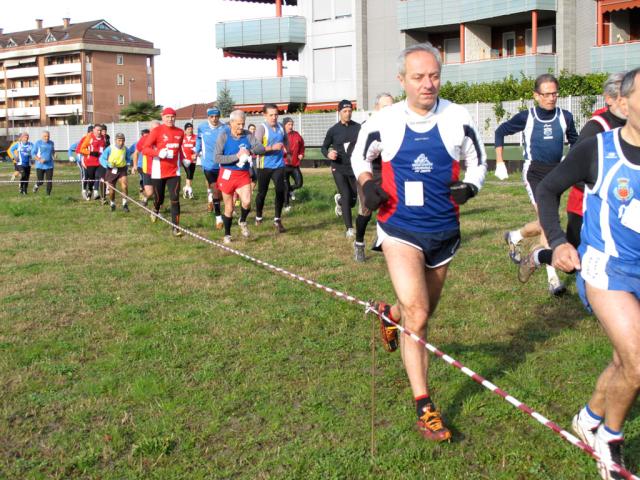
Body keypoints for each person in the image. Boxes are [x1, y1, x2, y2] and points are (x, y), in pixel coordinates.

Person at [352, 43, 486, 442]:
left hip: (444, 231)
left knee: (417, 313)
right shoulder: (385, 119)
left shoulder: (458, 117)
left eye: (434, 76)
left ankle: (389, 314)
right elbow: (360, 158)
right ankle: (424, 406)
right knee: (420, 314)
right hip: (400, 228)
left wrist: (471, 187)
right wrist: (367, 184)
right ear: (401, 80)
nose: (428, 84)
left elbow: (477, 162)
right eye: (418, 77)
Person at [536, 68, 640, 480]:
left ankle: (589, 417)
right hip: (605, 270)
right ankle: (609, 443)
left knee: (624, 360)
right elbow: (547, 190)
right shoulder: (598, 148)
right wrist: (559, 241)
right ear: (624, 103)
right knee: (638, 360)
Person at [518, 73, 627, 283]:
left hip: (619, 206)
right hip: (584, 206)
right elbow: (575, 172)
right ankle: (538, 255)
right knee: (573, 262)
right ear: (609, 98)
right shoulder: (596, 128)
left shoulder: (633, 126)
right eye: (624, 96)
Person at [496, 73, 578, 296]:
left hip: (556, 174)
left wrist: (575, 165)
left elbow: (576, 143)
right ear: (536, 95)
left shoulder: (566, 117)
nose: (551, 98)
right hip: (534, 173)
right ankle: (553, 280)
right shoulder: (527, 117)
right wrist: (500, 162)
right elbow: (500, 131)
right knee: (548, 221)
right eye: (546, 94)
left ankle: (515, 236)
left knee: (546, 222)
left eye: (554, 93)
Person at [351, 92, 394, 262]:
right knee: (367, 210)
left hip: (388, 172)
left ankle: (383, 238)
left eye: (391, 106)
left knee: (391, 206)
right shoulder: (367, 127)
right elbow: (359, 157)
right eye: (385, 107)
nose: (388, 110)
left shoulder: (398, 125)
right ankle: (359, 243)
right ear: (376, 108)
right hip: (368, 172)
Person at [215, 110, 266, 243]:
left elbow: (261, 148)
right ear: (231, 123)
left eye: (242, 124)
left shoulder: (248, 135)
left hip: (243, 174)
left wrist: (249, 151)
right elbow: (217, 158)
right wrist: (236, 156)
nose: (241, 127)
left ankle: (242, 221)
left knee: (247, 201)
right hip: (227, 174)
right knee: (229, 207)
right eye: (238, 124)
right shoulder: (223, 136)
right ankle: (227, 234)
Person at [321, 99, 361, 238]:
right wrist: (328, 154)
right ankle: (349, 229)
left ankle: (339, 202)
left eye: (350, 111)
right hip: (338, 167)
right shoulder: (333, 130)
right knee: (346, 195)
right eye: (345, 111)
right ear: (339, 112)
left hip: (354, 168)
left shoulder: (358, 128)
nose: (348, 113)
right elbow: (324, 147)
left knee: (353, 200)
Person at [142, 107, 185, 236]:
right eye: (167, 117)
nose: (170, 119)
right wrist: (158, 153)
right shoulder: (156, 131)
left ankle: (175, 227)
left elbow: (179, 150)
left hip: (174, 172)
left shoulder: (180, 132)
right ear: (163, 118)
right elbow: (145, 149)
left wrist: (184, 160)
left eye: (172, 116)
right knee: (159, 198)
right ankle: (155, 208)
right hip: (158, 172)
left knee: (175, 199)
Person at [254, 103, 288, 233]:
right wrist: (272, 148)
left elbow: (285, 140)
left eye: (276, 115)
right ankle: (258, 216)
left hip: (279, 165)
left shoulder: (280, 127)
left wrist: (286, 149)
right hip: (264, 166)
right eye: (271, 115)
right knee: (262, 192)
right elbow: (256, 149)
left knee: (280, 191)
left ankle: (277, 219)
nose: (274, 117)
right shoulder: (261, 128)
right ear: (265, 115)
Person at [195, 107, 226, 229]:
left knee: (223, 192)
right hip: (208, 164)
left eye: (216, 116)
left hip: (222, 164)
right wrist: (196, 151)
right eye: (212, 117)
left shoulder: (224, 128)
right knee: (215, 189)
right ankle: (218, 218)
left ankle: (211, 199)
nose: (214, 119)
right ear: (208, 117)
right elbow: (198, 140)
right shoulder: (202, 127)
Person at [100, 133, 132, 212]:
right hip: (111, 170)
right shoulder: (109, 148)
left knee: (124, 186)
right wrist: (108, 164)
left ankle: (125, 204)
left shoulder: (125, 149)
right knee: (112, 190)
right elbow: (102, 159)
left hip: (122, 169)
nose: (121, 142)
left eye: (123, 140)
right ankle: (112, 203)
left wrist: (128, 165)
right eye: (119, 140)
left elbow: (128, 159)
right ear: (115, 140)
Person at [133, 121, 160, 206]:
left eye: (158, 129)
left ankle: (157, 210)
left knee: (158, 192)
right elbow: (136, 153)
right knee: (149, 192)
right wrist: (135, 165)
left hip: (160, 169)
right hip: (147, 169)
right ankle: (144, 197)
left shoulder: (163, 139)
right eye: (155, 129)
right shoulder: (144, 139)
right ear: (150, 129)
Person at [282, 117, 305, 212]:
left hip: (294, 164)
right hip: (283, 165)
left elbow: (302, 146)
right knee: (285, 186)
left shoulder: (297, 135)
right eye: (289, 124)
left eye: (292, 124)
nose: (291, 126)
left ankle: (290, 191)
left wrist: (301, 154)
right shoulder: (280, 136)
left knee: (299, 183)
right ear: (284, 125)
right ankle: (286, 205)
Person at [79, 124, 106, 200]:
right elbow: (82, 149)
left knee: (98, 176)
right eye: (98, 130)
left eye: (100, 130)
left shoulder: (103, 138)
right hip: (90, 162)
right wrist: (91, 153)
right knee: (91, 179)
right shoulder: (89, 138)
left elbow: (103, 148)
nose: (99, 132)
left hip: (100, 161)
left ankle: (96, 192)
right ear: (94, 130)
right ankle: (90, 190)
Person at [32, 131, 56, 195]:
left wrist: (54, 155)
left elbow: (52, 151)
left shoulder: (51, 143)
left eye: (48, 136)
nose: (46, 138)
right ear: (42, 136)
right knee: (40, 181)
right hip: (40, 165)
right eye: (45, 136)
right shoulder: (38, 143)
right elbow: (33, 153)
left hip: (49, 165)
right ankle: (36, 185)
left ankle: (48, 195)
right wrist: (39, 160)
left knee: (49, 181)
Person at [181, 122, 197, 199]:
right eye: (188, 129)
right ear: (185, 130)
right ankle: (189, 190)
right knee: (189, 173)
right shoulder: (182, 138)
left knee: (191, 175)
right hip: (185, 160)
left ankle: (186, 188)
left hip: (193, 160)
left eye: (191, 129)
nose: (190, 130)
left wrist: (196, 154)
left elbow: (199, 147)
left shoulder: (196, 137)